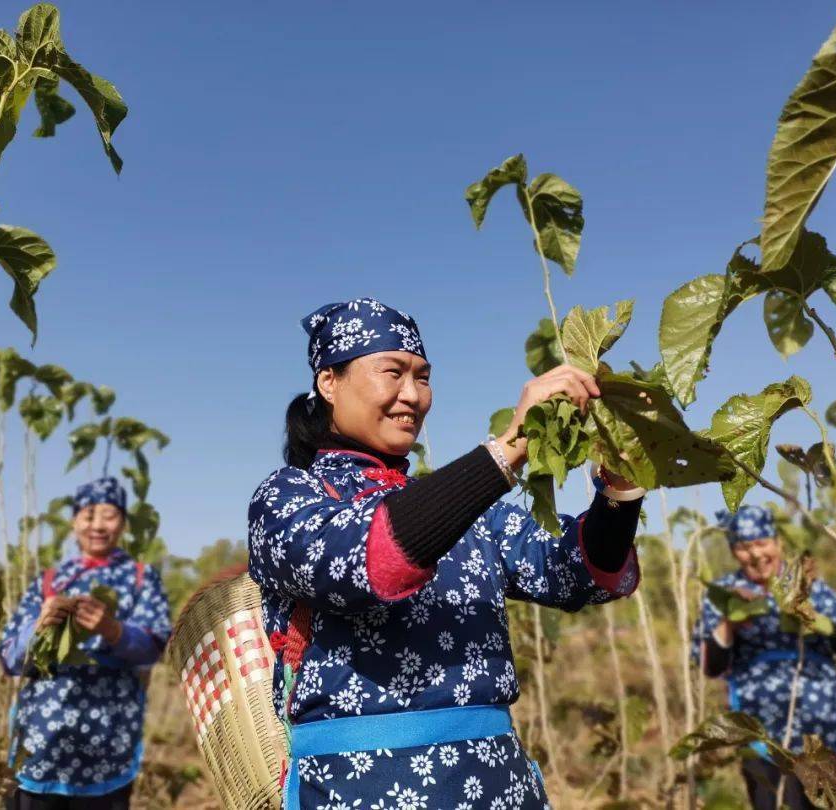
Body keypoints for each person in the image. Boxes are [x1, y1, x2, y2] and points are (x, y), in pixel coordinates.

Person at [248, 298, 645, 809]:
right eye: (392, 373)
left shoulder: (474, 515)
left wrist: (621, 487)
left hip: (499, 785)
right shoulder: (288, 498)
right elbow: (371, 559)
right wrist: (509, 450)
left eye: (423, 377)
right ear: (329, 382)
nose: (411, 396)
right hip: (359, 790)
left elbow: (579, 571)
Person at [0, 477, 172, 810]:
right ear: (74, 521)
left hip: (108, 743)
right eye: (88, 515)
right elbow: (9, 657)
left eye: (109, 515)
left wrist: (113, 630)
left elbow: (154, 644)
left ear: (123, 522)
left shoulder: (139, 578)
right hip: (41, 743)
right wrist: (38, 627)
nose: (97, 525)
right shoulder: (50, 580)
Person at [692, 505, 836, 810]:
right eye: (743, 547)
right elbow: (710, 664)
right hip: (767, 746)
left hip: (835, 736)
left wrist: (816, 620)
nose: (754, 555)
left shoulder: (810, 589)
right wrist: (730, 623)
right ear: (732, 551)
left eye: (761, 543)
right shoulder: (725, 594)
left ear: (777, 542)